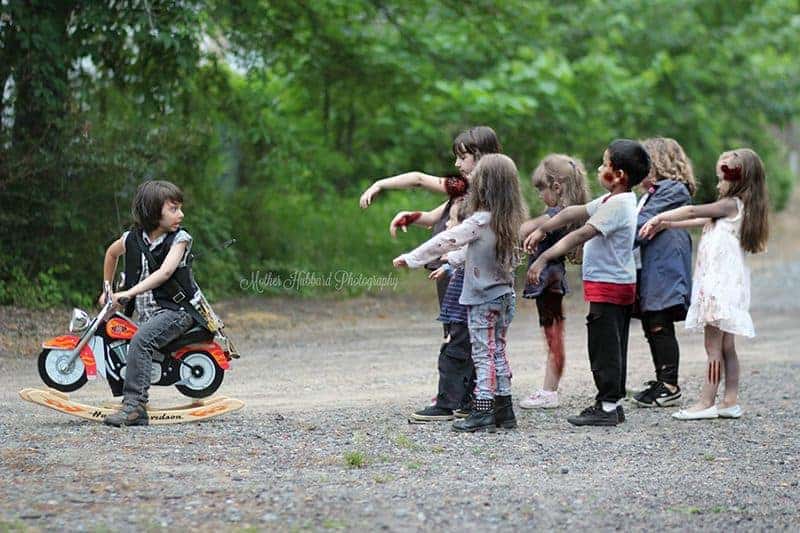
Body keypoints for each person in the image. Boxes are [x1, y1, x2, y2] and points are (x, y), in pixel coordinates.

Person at [360, 126, 501, 421]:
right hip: (447, 270)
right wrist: (411, 217)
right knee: (458, 333)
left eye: (463, 157)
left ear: (481, 157)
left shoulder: (480, 191)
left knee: (459, 336)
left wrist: (380, 184)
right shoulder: (463, 190)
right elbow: (434, 218)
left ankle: (451, 400)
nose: (457, 164)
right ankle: (465, 398)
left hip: (464, 271)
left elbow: (419, 179)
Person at [394, 154, 527, 432]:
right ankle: (505, 409)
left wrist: (412, 258)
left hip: (483, 298)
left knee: (482, 354)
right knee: (498, 351)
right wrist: (450, 263)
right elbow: (471, 251)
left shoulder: (480, 220)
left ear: (484, 186)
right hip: (505, 297)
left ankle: (484, 410)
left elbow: (447, 240)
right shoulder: (510, 220)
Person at [527, 139, 650, 426]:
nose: (598, 169)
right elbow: (574, 212)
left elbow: (581, 234)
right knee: (611, 343)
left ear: (619, 175)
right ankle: (611, 403)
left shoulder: (618, 205)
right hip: (612, 284)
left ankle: (607, 406)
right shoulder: (612, 200)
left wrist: (543, 258)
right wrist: (543, 228)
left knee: (604, 346)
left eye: (604, 164)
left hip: (610, 286)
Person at [640, 148, 768, 420]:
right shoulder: (735, 208)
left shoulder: (731, 204)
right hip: (729, 288)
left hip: (718, 289)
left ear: (738, 179)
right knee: (726, 346)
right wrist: (666, 224)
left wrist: (659, 216)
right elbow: (698, 219)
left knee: (713, 348)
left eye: (722, 178)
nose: (718, 184)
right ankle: (729, 401)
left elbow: (692, 210)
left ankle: (706, 401)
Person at [100, 180, 201, 427]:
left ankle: (135, 406)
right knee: (113, 331)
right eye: (174, 209)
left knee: (141, 341)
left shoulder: (180, 239)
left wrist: (128, 292)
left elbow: (164, 273)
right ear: (153, 212)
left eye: (180, 208)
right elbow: (111, 254)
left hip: (177, 311)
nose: (181, 214)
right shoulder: (131, 239)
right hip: (149, 314)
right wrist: (107, 289)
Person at [518, 155, 590, 409]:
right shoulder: (564, 214)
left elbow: (525, 229)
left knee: (553, 336)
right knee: (552, 333)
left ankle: (549, 391)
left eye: (542, 189)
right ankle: (549, 388)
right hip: (552, 280)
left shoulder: (555, 216)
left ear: (557, 187)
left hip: (549, 280)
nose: (539, 195)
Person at [631, 137, 696, 408]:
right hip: (652, 266)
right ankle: (662, 379)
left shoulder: (673, 190)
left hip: (665, 268)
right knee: (651, 322)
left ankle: (670, 384)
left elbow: (640, 225)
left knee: (659, 322)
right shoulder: (652, 193)